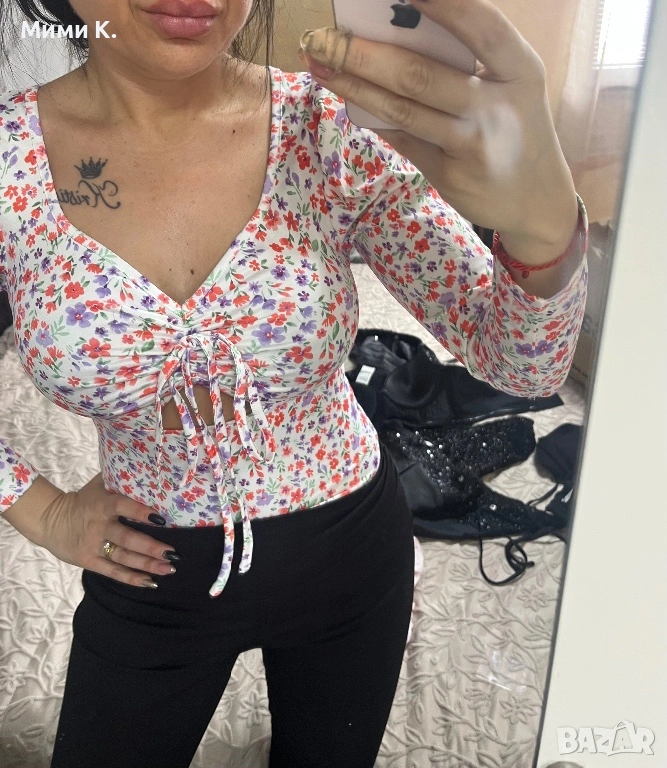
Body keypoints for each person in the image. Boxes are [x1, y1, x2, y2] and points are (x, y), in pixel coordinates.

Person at [0, 0, 588, 766]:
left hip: (353, 552)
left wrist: (543, 228)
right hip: (150, 573)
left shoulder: (328, 128)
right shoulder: (10, 160)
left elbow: (524, 367)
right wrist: (39, 508)